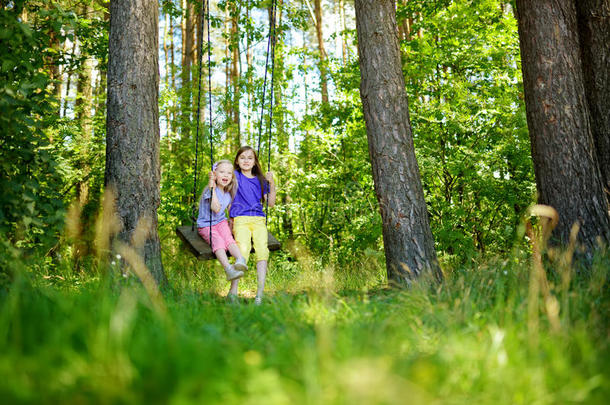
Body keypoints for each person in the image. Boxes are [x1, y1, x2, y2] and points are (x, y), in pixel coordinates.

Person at [229, 146, 276, 305]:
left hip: (258, 220)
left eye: (250, 158)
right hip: (240, 219)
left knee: (263, 250)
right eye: (242, 157)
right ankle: (233, 291)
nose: (246, 160)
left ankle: (260, 294)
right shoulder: (234, 176)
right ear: (237, 161)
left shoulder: (261, 180)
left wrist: (272, 183)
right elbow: (222, 177)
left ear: (255, 161)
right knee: (242, 251)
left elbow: (270, 204)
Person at [197, 160, 248, 284]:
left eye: (229, 173)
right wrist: (212, 188)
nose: (225, 175)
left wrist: (232, 224)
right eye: (222, 172)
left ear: (232, 177)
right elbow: (216, 208)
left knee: (229, 239)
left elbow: (229, 210)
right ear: (215, 174)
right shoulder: (210, 191)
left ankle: (240, 260)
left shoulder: (228, 193)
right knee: (219, 241)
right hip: (206, 225)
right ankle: (228, 269)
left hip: (221, 222)